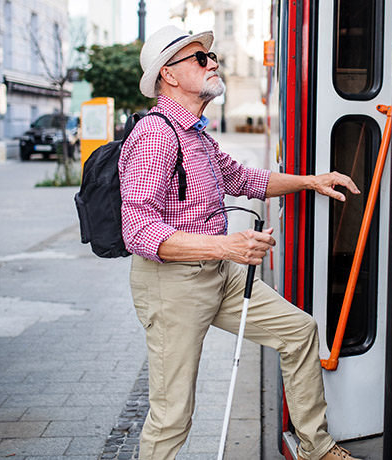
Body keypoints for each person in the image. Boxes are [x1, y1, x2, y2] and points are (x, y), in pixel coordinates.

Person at [119, 26, 361, 460]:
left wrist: (310, 180)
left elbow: (245, 179)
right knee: (173, 412)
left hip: (218, 272)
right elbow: (138, 230)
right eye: (200, 59)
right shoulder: (155, 135)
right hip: (172, 285)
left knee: (299, 331)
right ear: (169, 76)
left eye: (211, 58)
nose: (213, 63)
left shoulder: (195, 135)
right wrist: (227, 248)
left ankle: (316, 449)